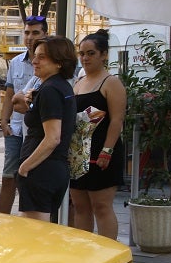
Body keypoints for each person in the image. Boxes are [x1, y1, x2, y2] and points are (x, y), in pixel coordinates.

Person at [69, 30, 126, 239]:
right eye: (82, 53)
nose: (85, 58)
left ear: (103, 55)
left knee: (101, 206)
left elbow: (117, 120)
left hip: (102, 152)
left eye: (90, 53)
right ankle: (85, 256)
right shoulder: (78, 83)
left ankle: (108, 256)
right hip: (78, 153)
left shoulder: (111, 83)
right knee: (80, 206)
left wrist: (107, 151)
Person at [16, 36, 78, 222]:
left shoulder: (51, 90)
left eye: (42, 57)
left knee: (33, 236)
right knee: (40, 234)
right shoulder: (61, 87)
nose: (34, 61)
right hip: (53, 169)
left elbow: (53, 138)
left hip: (41, 170)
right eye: (35, 56)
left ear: (59, 62)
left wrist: (25, 167)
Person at [0, 16, 48, 214]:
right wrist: (3, 121)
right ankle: (2, 221)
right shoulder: (16, 62)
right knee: (8, 176)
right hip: (16, 128)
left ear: (45, 34)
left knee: (31, 177)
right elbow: (9, 93)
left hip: (38, 129)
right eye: (27, 32)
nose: (29, 37)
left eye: (35, 32)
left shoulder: (50, 63)